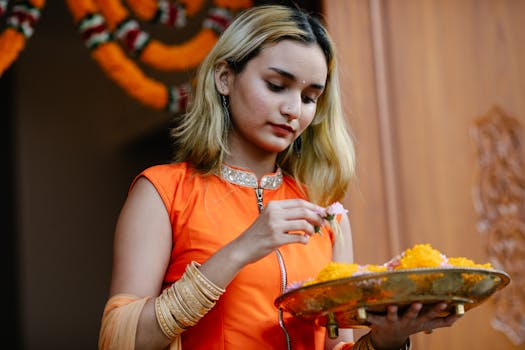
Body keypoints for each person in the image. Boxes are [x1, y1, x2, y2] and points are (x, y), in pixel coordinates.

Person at [98, 4, 460, 350]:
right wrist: (241, 249)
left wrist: (389, 340)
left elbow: (338, 344)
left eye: (309, 96)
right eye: (276, 85)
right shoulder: (162, 192)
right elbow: (119, 341)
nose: (293, 110)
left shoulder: (325, 214)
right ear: (225, 78)